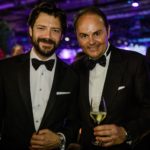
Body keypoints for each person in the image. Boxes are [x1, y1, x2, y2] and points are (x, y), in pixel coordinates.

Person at [0, 2, 79, 150]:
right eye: (41, 28)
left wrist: (60, 139)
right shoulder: (5, 69)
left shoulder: (71, 76)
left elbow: (75, 122)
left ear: (62, 35)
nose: (48, 36)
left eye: (55, 30)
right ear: (30, 30)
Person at [72, 6, 150, 150]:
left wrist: (126, 132)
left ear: (108, 30)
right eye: (84, 35)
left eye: (97, 33)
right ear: (77, 37)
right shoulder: (74, 70)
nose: (91, 41)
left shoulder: (135, 62)